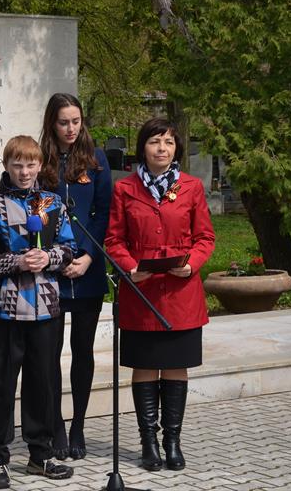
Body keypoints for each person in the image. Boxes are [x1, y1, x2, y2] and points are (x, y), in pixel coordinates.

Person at [104, 117, 215, 472]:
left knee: (176, 366)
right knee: (146, 365)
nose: (162, 148)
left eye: (168, 142)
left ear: (176, 148)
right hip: (141, 291)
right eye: (155, 142)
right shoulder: (125, 189)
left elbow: (205, 238)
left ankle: (173, 441)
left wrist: (193, 263)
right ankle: (148, 442)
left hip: (181, 292)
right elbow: (114, 239)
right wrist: (130, 267)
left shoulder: (192, 187)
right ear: (143, 148)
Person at [0, 135, 76, 489]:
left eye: (31, 164)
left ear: (40, 166)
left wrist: (49, 257)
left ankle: (40, 454)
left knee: (42, 383)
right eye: (18, 164)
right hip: (7, 310)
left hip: (47, 308)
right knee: (0, 385)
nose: (25, 171)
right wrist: (17, 261)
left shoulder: (53, 203)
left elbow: (69, 247)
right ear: (6, 165)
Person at [38, 93, 112, 460]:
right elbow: (35, 213)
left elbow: (103, 214)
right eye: (64, 122)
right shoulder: (42, 162)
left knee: (82, 351)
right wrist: (55, 257)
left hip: (87, 272)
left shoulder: (96, 161)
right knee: (49, 353)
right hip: (51, 273)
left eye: (76, 121)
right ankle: (56, 428)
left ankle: (79, 425)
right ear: (52, 123)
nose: (71, 129)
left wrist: (86, 256)